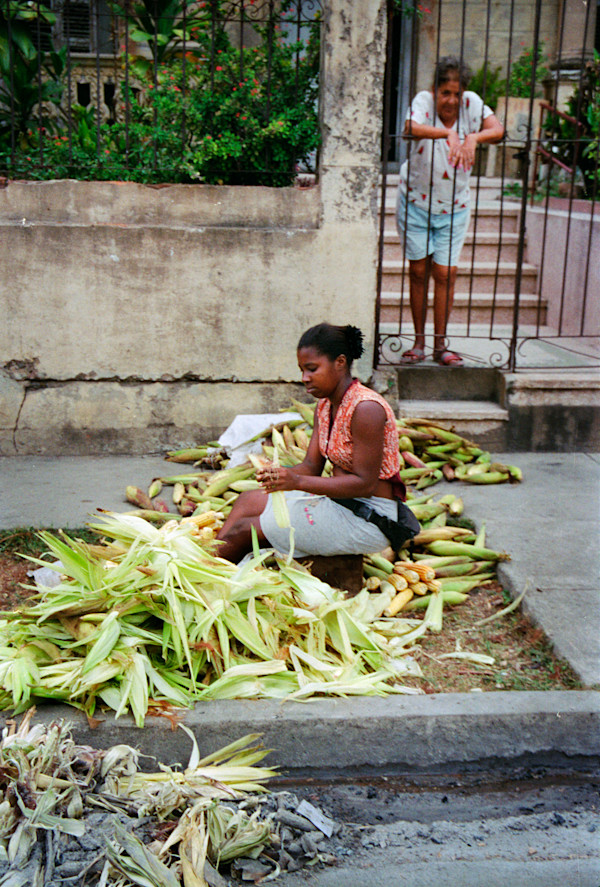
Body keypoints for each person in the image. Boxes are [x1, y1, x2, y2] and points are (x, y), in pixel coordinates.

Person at [216, 323, 420, 563]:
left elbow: (364, 484)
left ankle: (213, 581)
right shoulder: (324, 406)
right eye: (302, 370)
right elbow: (310, 467)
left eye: (312, 369)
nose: (304, 378)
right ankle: (214, 560)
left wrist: (297, 482)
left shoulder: (366, 409)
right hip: (339, 502)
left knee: (244, 531)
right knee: (247, 500)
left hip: (367, 518)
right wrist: (281, 475)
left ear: (340, 362)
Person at [396, 56, 504, 366]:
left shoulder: (473, 104)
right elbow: (410, 127)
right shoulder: (423, 101)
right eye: (446, 93)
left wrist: (473, 137)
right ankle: (418, 344)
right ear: (435, 90)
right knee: (418, 272)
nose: (452, 100)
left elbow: (497, 129)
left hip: (454, 208)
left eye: (457, 93)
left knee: (445, 274)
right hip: (415, 203)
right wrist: (446, 134)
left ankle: (441, 346)